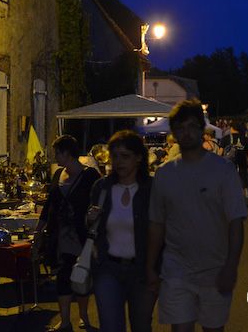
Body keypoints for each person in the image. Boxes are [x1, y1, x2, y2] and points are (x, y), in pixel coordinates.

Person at [147, 99, 247, 332]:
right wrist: (151, 266)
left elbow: (235, 221)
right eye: (180, 128)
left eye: (192, 126)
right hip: (176, 271)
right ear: (173, 134)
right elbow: (156, 224)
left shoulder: (223, 170)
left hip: (215, 269)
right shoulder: (164, 175)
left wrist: (231, 266)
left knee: (213, 328)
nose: (186, 132)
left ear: (202, 129)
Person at [86, 130, 157, 332]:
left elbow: (161, 230)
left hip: (142, 270)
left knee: (141, 325)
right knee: (110, 326)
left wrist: (156, 269)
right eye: (114, 156)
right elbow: (92, 228)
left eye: (125, 156)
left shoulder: (151, 189)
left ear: (138, 158)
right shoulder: (102, 187)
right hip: (108, 268)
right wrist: (89, 218)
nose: (119, 162)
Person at [36, 135, 101, 332]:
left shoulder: (90, 176)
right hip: (61, 236)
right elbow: (49, 205)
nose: (55, 156)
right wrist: (39, 230)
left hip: (82, 235)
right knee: (63, 276)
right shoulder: (58, 175)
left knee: (81, 276)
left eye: (57, 152)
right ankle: (65, 321)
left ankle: (83, 316)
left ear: (67, 153)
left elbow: (100, 202)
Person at [219, 122, 248, 198]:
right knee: (243, 174)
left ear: (232, 128)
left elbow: (220, 152)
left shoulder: (225, 138)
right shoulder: (245, 138)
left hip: (229, 160)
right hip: (242, 159)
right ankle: (246, 191)